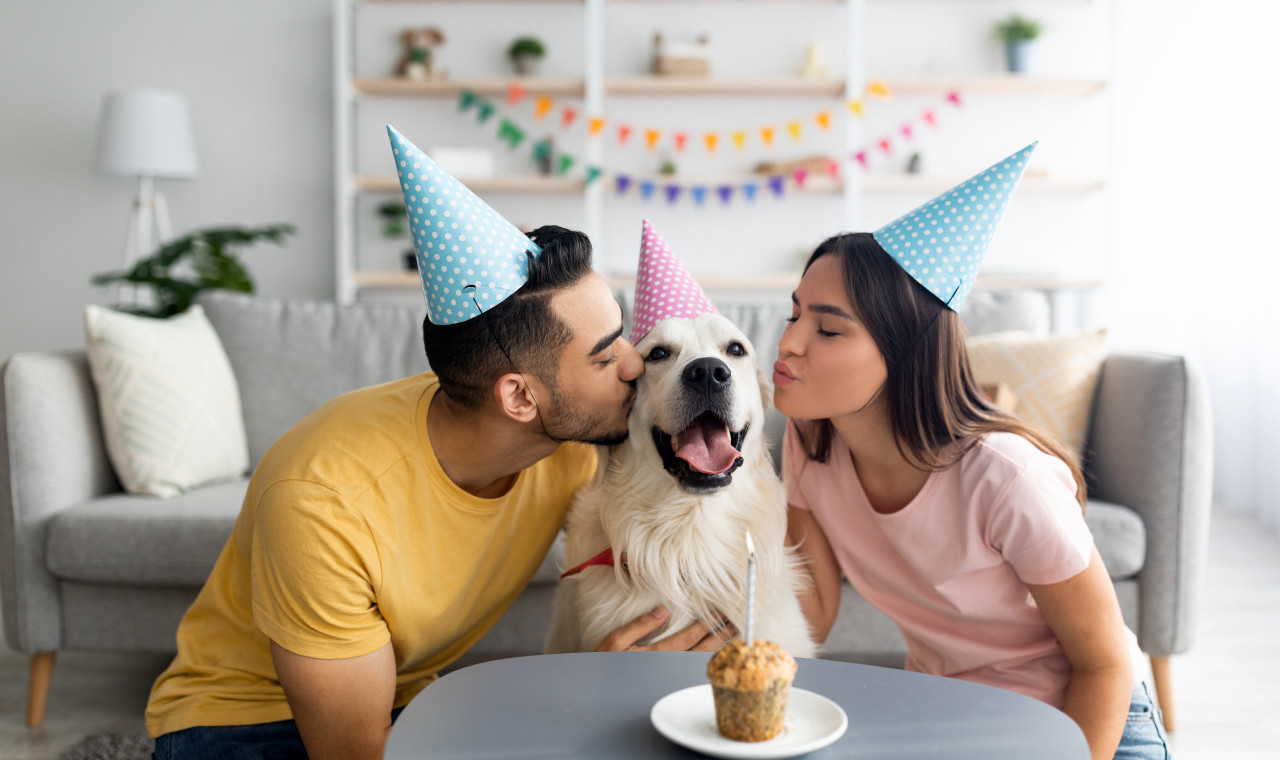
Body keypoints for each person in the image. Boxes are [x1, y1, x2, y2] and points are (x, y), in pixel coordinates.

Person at [146, 130, 728, 760]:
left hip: (408, 697)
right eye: (604, 353)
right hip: (239, 721)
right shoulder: (323, 501)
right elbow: (356, 754)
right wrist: (583, 697)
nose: (633, 366)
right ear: (520, 399)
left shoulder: (579, 433)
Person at [775, 145, 1171, 760]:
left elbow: (1105, 665)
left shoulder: (1007, 478)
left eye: (826, 328)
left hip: (1085, 725)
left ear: (903, 352)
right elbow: (813, 609)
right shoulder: (809, 442)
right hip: (950, 713)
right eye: (794, 314)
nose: (789, 342)